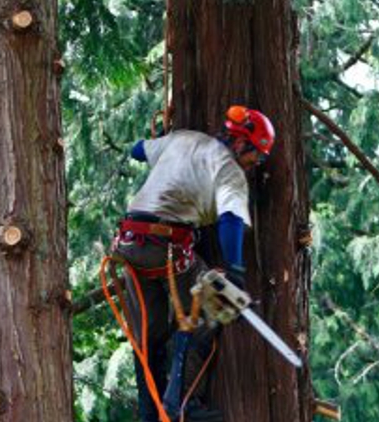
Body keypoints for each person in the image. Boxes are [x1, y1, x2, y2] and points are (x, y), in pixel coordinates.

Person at [113, 105, 275, 422]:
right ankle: (179, 405)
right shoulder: (230, 171)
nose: (256, 163)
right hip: (168, 248)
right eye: (258, 155)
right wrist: (237, 277)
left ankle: (150, 413)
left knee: (149, 333)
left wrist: (162, 141)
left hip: (130, 244)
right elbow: (230, 221)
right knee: (215, 307)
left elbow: (136, 151)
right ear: (241, 143)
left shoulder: (183, 139)